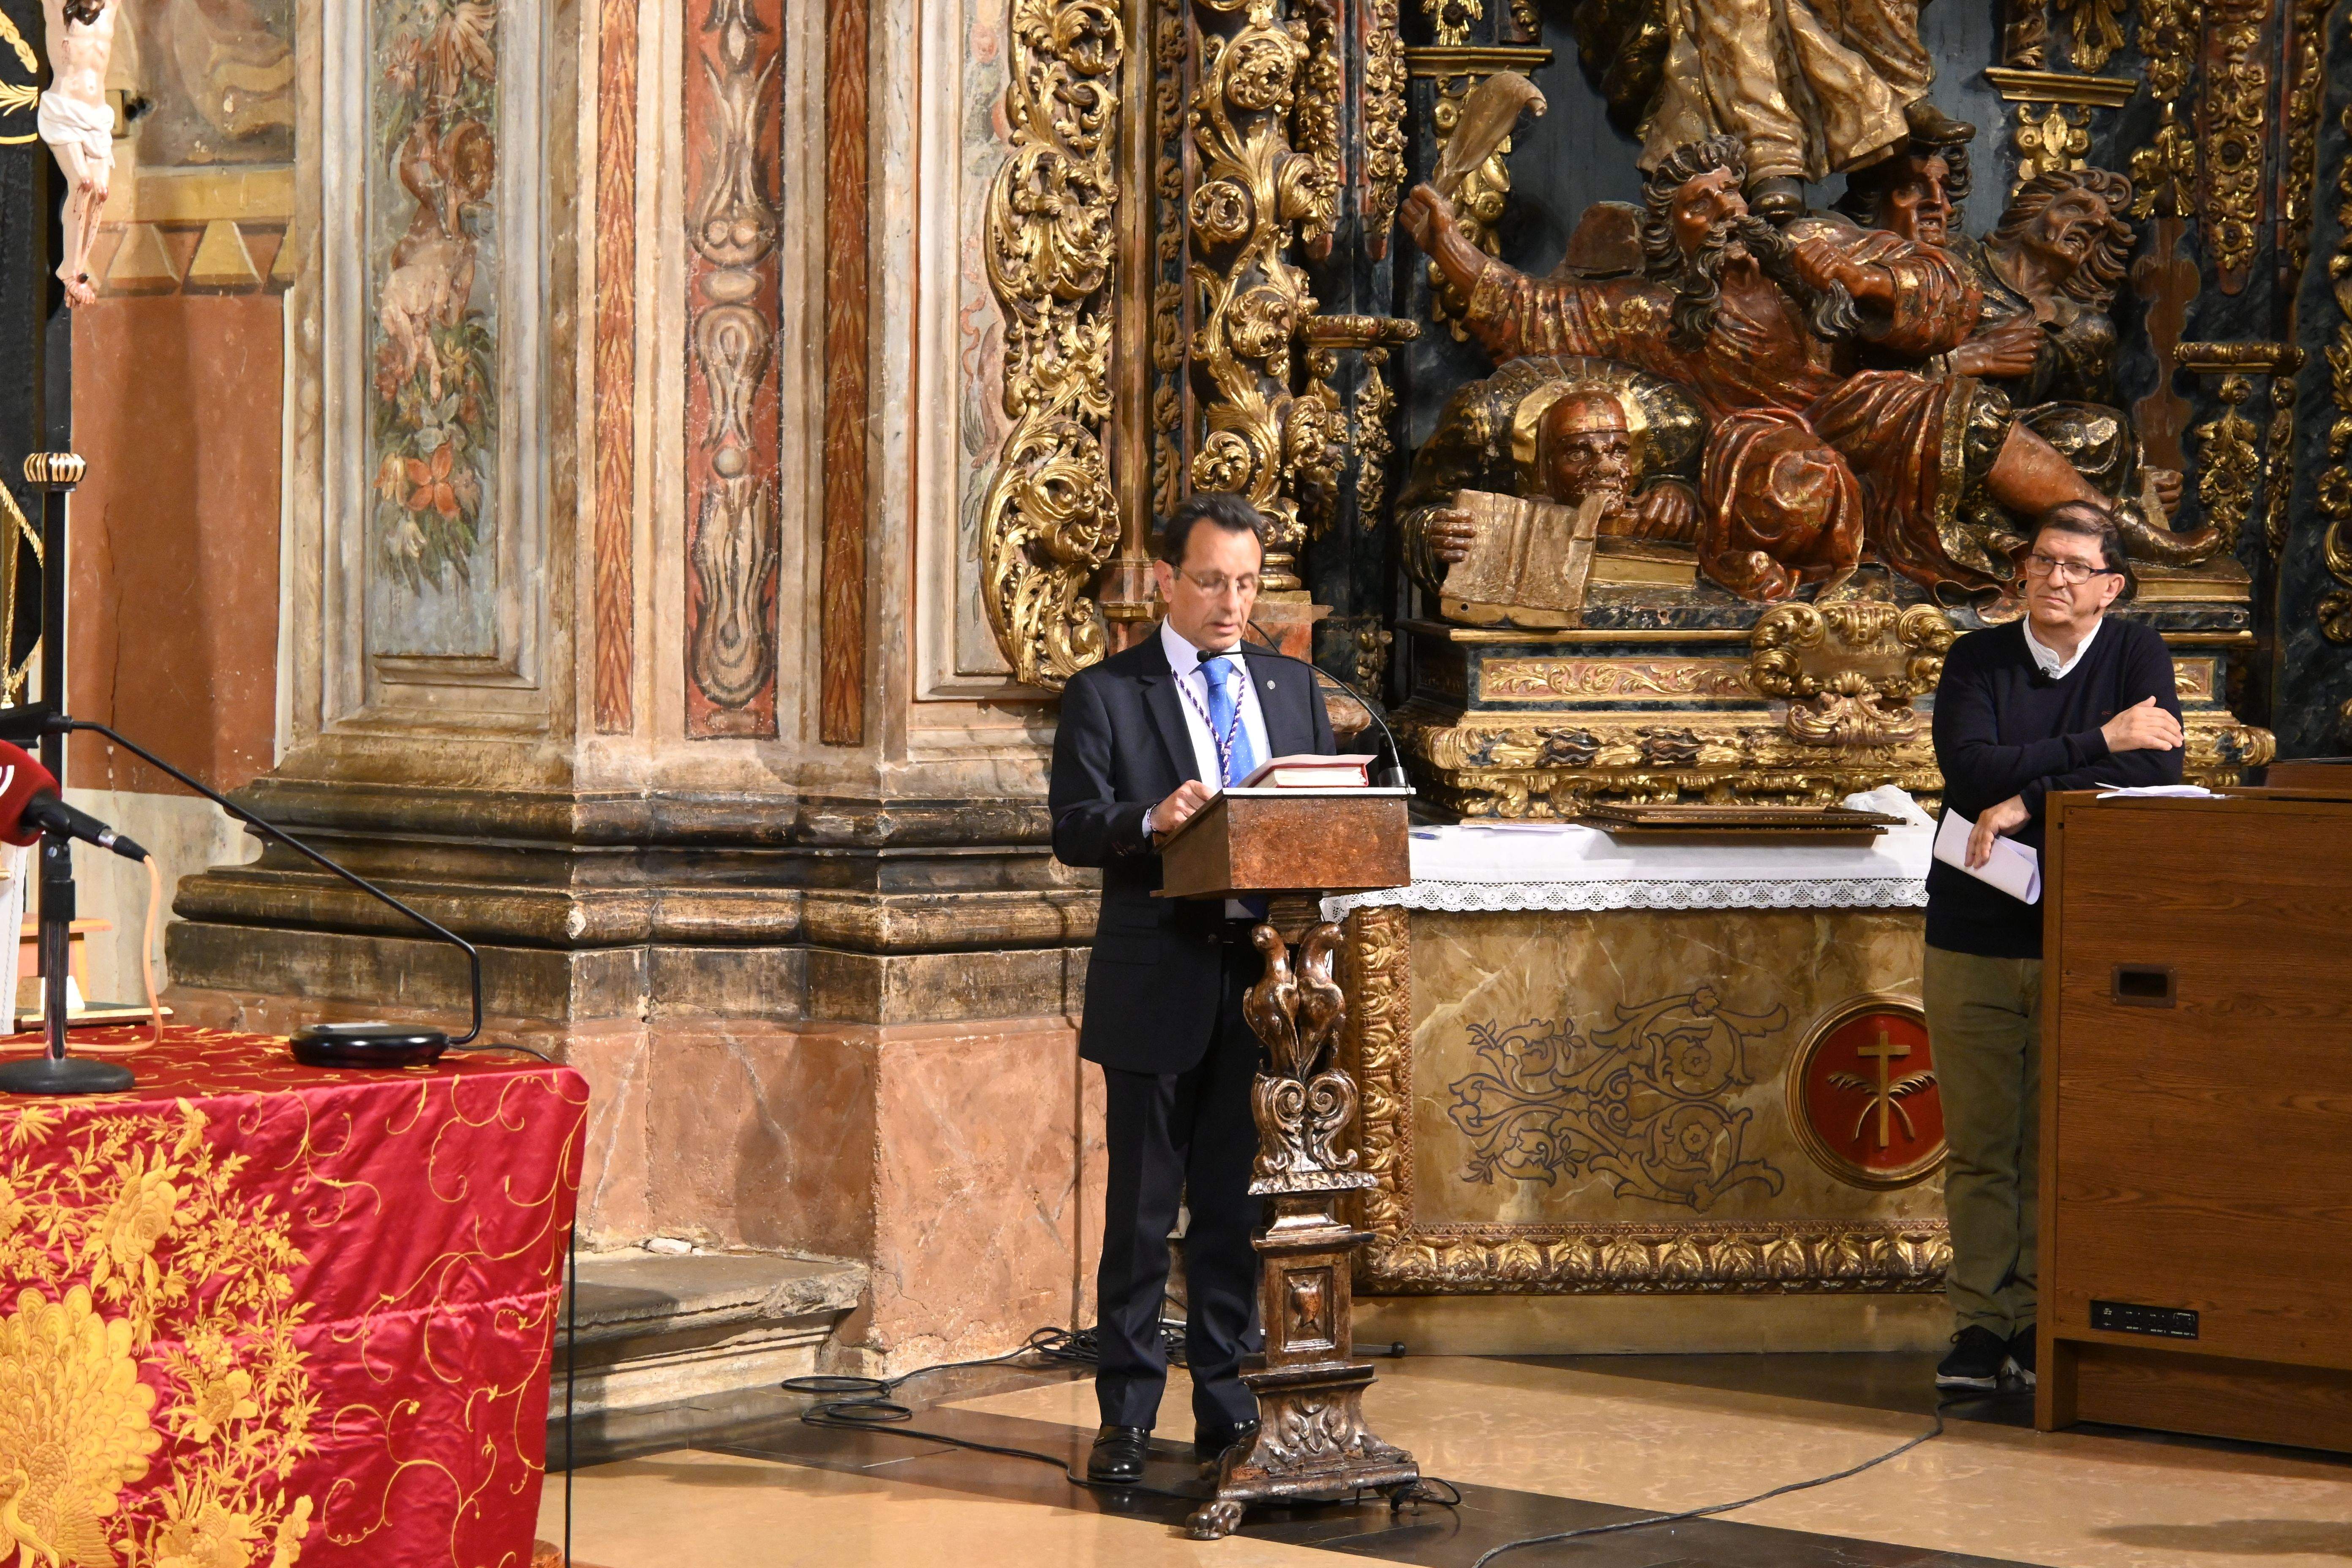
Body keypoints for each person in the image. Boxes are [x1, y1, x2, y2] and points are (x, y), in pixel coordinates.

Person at [1402, 134, 2115, 601]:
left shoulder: (1808, 246)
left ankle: (2106, 530)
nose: (1723, 212)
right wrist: (1447, 244)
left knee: (1949, 407)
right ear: (1667, 230)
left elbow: (1949, 294)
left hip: (1856, 407)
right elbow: (1535, 310)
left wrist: (1855, 280)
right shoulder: (1650, 310)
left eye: (1729, 194)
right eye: (1697, 205)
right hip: (1760, 438)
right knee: (1794, 477)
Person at [1048, 492, 1338, 1483]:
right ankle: (1126, 1415)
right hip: (1156, 973)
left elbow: (1323, 811)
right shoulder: (1107, 693)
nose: (1230, 602)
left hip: (1261, 984)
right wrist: (1148, 817)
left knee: (1230, 1211)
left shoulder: (1292, 688)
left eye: (1248, 583)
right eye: (1212, 580)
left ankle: (1223, 1407)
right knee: (1140, 1212)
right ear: (1166, 579)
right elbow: (1073, 825)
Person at [1926, 501, 2185, 1390]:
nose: (2055, 578)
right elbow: (1969, 769)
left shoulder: (2135, 653)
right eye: (2043, 561)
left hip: (2084, 933)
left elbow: (2161, 767)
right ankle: (1978, 1323)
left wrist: (2031, 798)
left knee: (2056, 1141)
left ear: (2111, 585)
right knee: (1982, 1141)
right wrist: (2097, 742)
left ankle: (2040, 1317)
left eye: (2076, 566)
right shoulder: (1978, 658)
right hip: (1975, 930)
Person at [39, 0, 119, 309]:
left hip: (97, 115)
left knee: (101, 191)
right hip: (64, 109)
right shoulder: (59, 8)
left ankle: (78, 269)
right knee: (83, 183)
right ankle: (68, 270)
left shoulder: (111, 8)